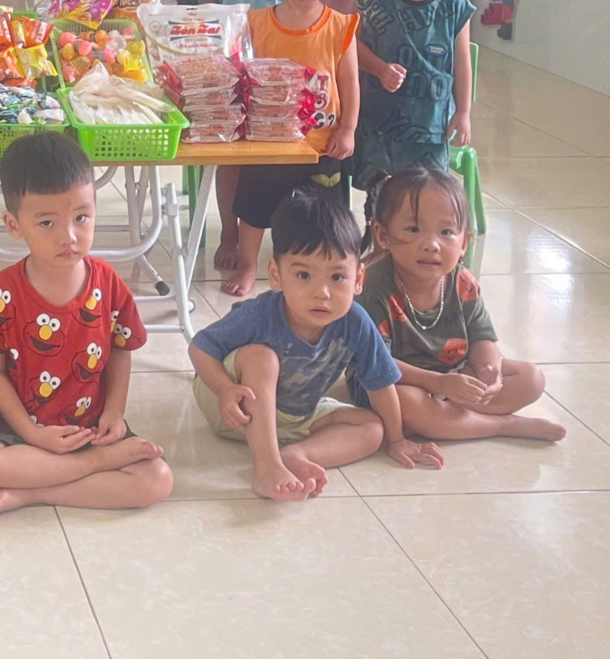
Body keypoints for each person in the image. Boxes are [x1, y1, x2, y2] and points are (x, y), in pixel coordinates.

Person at [0, 133, 172, 519]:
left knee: (157, 480)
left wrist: (114, 413)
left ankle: (35, 492)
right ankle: (92, 468)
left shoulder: (109, 284)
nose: (68, 236)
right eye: (47, 222)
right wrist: (32, 433)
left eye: (81, 217)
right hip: (20, 431)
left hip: (91, 427)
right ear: (13, 224)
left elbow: (120, 350)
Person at [189, 188, 442, 502]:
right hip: (231, 407)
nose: (322, 292)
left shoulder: (355, 322)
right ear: (276, 274)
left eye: (337, 278)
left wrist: (397, 440)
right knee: (261, 357)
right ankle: (267, 467)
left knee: (371, 428)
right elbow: (201, 347)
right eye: (304, 275)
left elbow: (381, 383)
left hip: (296, 416)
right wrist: (226, 390)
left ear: (358, 279)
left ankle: (297, 455)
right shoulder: (260, 314)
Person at [360, 166, 564, 442]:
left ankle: (447, 418)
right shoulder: (372, 288)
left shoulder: (462, 281)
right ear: (383, 236)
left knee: (531, 379)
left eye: (446, 232)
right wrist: (438, 383)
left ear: (464, 242)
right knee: (404, 402)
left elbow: (481, 336)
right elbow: (378, 364)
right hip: (392, 381)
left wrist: (489, 372)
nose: (431, 245)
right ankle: (501, 425)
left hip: (450, 374)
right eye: (413, 229)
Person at [219, 0, 359, 298]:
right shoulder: (256, 23)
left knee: (326, 215)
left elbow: (350, 83)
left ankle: (323, 272)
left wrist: (348, 129)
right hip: (270, 142)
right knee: (255, 209)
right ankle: (249, 266)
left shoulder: (341, 26)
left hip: (323, 144)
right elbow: (243, 76)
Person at [354, 0, 474, 210]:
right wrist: (379, 68)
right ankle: (377, 237)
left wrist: (463, 112)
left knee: (424, 197)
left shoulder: (455, 6)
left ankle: (415, 241)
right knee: (379, 199)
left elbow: (462, 63)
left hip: (431, 125)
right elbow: (350, 46)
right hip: (379, 122)